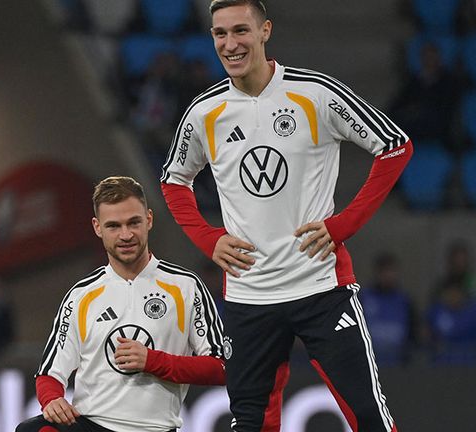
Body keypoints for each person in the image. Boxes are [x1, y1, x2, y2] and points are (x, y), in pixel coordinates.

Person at [160, 1, 413, 431]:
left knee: (368, 414)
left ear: (265, 31)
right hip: (248, 297)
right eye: (219, 34)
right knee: (251, 424)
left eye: (240, 31)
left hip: (321, 287)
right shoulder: (204, 113)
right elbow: (173, 181)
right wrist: (209, 238)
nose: (230, 44)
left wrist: (342, 226)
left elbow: (395, 146)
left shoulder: (315, 93)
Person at [17, 176, 226, 432]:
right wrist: (52, 400)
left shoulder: (186, 287)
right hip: (92, 424)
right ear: (97, 227)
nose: (126, 235)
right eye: (114, 226)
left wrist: (152, 361)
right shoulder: (81, 295)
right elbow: (50, 373)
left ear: (149, 219)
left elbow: (221, 366)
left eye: (133, 223)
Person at [359, 253, 415, 367]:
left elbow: (413, 331)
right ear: (378, 273)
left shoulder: (405, 301)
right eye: (385, 271)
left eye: (392, 271)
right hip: (369, 362)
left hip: (398, 363)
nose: (388, 276)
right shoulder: (363, 298)